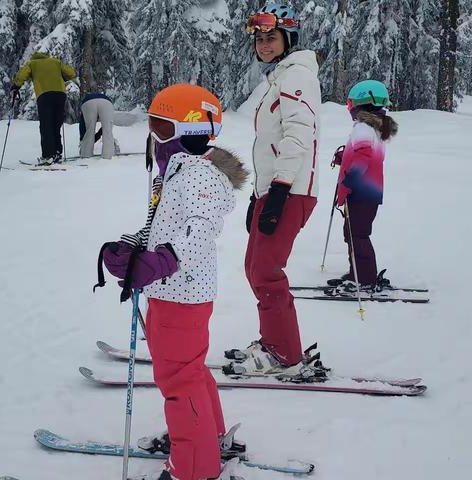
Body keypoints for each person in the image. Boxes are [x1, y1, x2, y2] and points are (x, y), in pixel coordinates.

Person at [102, 83, 248, 480]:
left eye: (162, 127)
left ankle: (194, 467)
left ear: (192, 129)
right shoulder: (179, 170)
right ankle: (208, 437)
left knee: (179, 379)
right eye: (153, 125)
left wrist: (162, 261)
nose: (154, 135)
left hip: (181, 295)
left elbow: (200, 230)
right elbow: (161, 227)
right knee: (191, 371)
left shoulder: (196, 175)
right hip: (177, 292)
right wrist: (131, 249)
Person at [225, 3, 321, 377]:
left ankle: (284, 355)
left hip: (292, 190)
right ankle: (273, 342)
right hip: (278, 188)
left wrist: (279, 191)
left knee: (266, 272)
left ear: (288, 39)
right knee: (255, 267)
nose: (264, 44)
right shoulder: (281, 77)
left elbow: (299, 135)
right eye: (260, 39)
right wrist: (260, 195)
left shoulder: (297, 75)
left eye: (272, 37)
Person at [327, 80, 398, 290]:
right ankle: (358, 271)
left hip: (360, 192)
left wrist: (349, 181)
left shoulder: (363, 129)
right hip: (369, 192)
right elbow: (366, 154)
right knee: (353, 232)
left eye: (350, 104)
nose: (349, 109)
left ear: (361, 103)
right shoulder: (374, 129)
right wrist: (345, 156)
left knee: (357, 234)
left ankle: (365, 278)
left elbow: (364, 158)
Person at [12, 51, 76, 165]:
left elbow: (22, 75)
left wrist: (16, 85)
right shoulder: (56, 62)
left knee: (46, 126)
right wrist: (61, 78)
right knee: (56, 125)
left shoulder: (32, 63)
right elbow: (71, 73)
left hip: (44, 95)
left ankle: (48, 155)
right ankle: (57, 153)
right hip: (60, 95)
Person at [79, 92, 116, 159]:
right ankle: (108, 155)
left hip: (88, 102)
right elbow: (106, 127)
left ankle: (86, 155)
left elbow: (82, 124)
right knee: (107, 130)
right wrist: (101, 132)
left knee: (89, 130)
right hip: (106, 102)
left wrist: (82, 138)